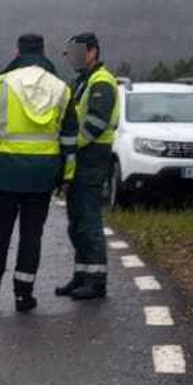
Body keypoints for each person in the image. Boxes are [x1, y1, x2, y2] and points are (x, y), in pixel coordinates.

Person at [0, 33, 78, 313]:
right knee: (32, 237)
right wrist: (67, 175)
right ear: (43, 53)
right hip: (43, 176)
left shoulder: (1, 84)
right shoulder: (61, 88)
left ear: (17, 52)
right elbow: (69, 139)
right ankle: (23, 296)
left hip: (6, 174)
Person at [55, 32, 121, 300]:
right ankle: (81, 275)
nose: (73, 58)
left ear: (92, 51)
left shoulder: (101, 82)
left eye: (78, 52)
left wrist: (70, 145)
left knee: (88, 220)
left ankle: (97, 280)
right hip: (81, 158)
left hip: (92, 156)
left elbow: (95, 123)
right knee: (76, 221)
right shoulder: (82, 82)